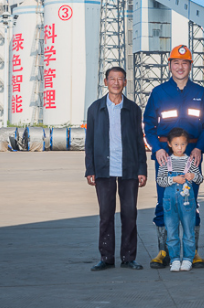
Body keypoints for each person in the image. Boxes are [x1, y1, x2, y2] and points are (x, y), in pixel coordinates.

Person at [143, 45, 204, 269]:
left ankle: (193, 252)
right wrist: (157, 148)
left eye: (184, 63)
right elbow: (148, 125)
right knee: (165, 201)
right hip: (165, 157)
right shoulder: (159, 92)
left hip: (192, 156)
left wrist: (199, 149)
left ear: (190, 66)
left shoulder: (200, 93)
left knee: (191, 202)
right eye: (176, 63)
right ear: (170, 65)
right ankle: (164, 251)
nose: (180, 67)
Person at [85, 66, 148, 271]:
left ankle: (128, 257)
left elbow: (139, 141)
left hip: (129, 169)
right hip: (104, 169)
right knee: (106, 215)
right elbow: (89, 141)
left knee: (129, 214)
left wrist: (142, 169)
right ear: (106, 82)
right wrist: (90, 169)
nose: (116, 82)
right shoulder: (95, 109)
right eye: (112, 79)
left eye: (120, 79)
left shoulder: (133, 109)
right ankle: (106, 258)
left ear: (125, 83)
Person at [157, 128, 204, 272]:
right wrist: (173, 179)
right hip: (170, 203)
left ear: (187, 144)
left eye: (183, 144)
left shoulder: (191, 162)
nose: (179, 148)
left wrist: (193, 176)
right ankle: (175, 259)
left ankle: (188, 259)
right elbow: (160, 181)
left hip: (187, 202)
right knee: (172, 232)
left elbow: (200, 179)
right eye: (176, 144)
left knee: (189, 231)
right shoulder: (166, 162)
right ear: (169, 144)